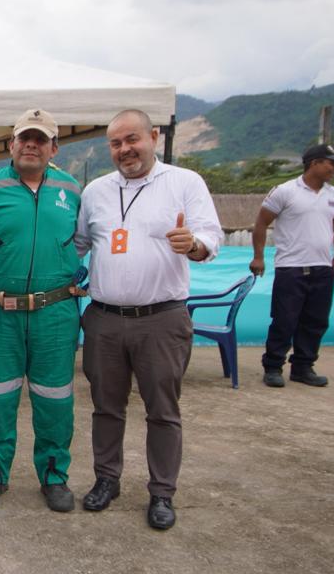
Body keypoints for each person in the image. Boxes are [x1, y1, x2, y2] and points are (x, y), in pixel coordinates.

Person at [75, 109, 222, 530]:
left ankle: (162, 492)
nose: (125, 150)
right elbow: (82, 244)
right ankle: (107, 479)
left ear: (153, 137)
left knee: (162, 409)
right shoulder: (97, 191)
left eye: (132, 139)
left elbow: (211, 238)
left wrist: (191, 243)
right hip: (103, 318)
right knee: (106, 407)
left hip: (161, 318)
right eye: (116, 143)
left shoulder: (184, 183)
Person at [0, 109, 83, 513]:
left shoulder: (72, 189)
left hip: (56, 312)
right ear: (11, 144)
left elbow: (83, 240)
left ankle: (54, 475)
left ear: (53, 148)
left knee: (56, 399)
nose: (31, 145)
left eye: (40, 139)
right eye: (24, 138)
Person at [251, 144, 334, 388]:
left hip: (322, 268)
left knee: (316, 320)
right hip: (291, 268)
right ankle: (273, 366)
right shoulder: (285, 191)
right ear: (314, 163)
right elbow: (261, 223)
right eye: (331, 163)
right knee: (285, 319)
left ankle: (303, 367)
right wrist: (258, 256)